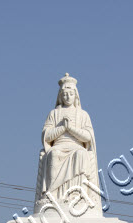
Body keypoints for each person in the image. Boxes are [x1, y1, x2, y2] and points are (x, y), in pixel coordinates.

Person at [34, 73, 102, 215]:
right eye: (64, 94)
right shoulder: (53, 114)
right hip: (58, 146)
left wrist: (71, 128)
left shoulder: (83, 115)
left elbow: (88, 136)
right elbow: (46, 135)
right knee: (53, 154)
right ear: (60, 96)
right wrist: (62, 128)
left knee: (82, 154)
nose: (67, 97)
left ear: (75, 95)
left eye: (70, 94)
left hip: (76, 146)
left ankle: (77, 195)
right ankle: (52, 195)